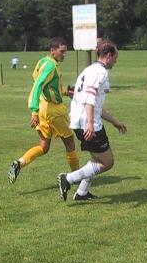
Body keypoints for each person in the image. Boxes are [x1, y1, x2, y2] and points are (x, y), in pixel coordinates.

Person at [57, 41, 127, 201]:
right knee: (107, 162)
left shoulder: (89, 70)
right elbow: (89, 97)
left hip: (79, 120)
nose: (116, 60)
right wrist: (89, 123)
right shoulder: (100, 73)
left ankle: (82, 193)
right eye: (116, 57)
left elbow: (93, 103)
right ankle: (67, 179)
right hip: (88, 123)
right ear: (109, 56)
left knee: (96, 159)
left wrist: (114, 121)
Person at [8, 37, 79, 184]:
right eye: (61, 51)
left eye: (65, 52)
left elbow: (47, 86)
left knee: (43, 146)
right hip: (54, 111)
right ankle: (76, 177)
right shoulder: (51, 66)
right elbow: (38, 85)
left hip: (43, 108)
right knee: (70, 143)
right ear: (52, 50)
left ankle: (19, 163)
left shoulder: (42, 61)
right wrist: (33, 111)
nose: (64, 54)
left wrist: (65, 92)